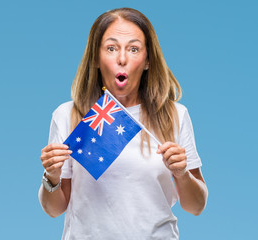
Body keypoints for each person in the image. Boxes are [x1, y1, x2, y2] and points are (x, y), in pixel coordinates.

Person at [38, 7, 208, 240]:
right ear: (96, 59)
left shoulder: (174, 115)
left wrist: (181, 174)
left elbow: (195, 207)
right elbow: (54, 209)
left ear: (147, 60)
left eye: (134, 49)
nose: (122, 58)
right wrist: (52, 177)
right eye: (111, 48)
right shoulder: (67, 115)